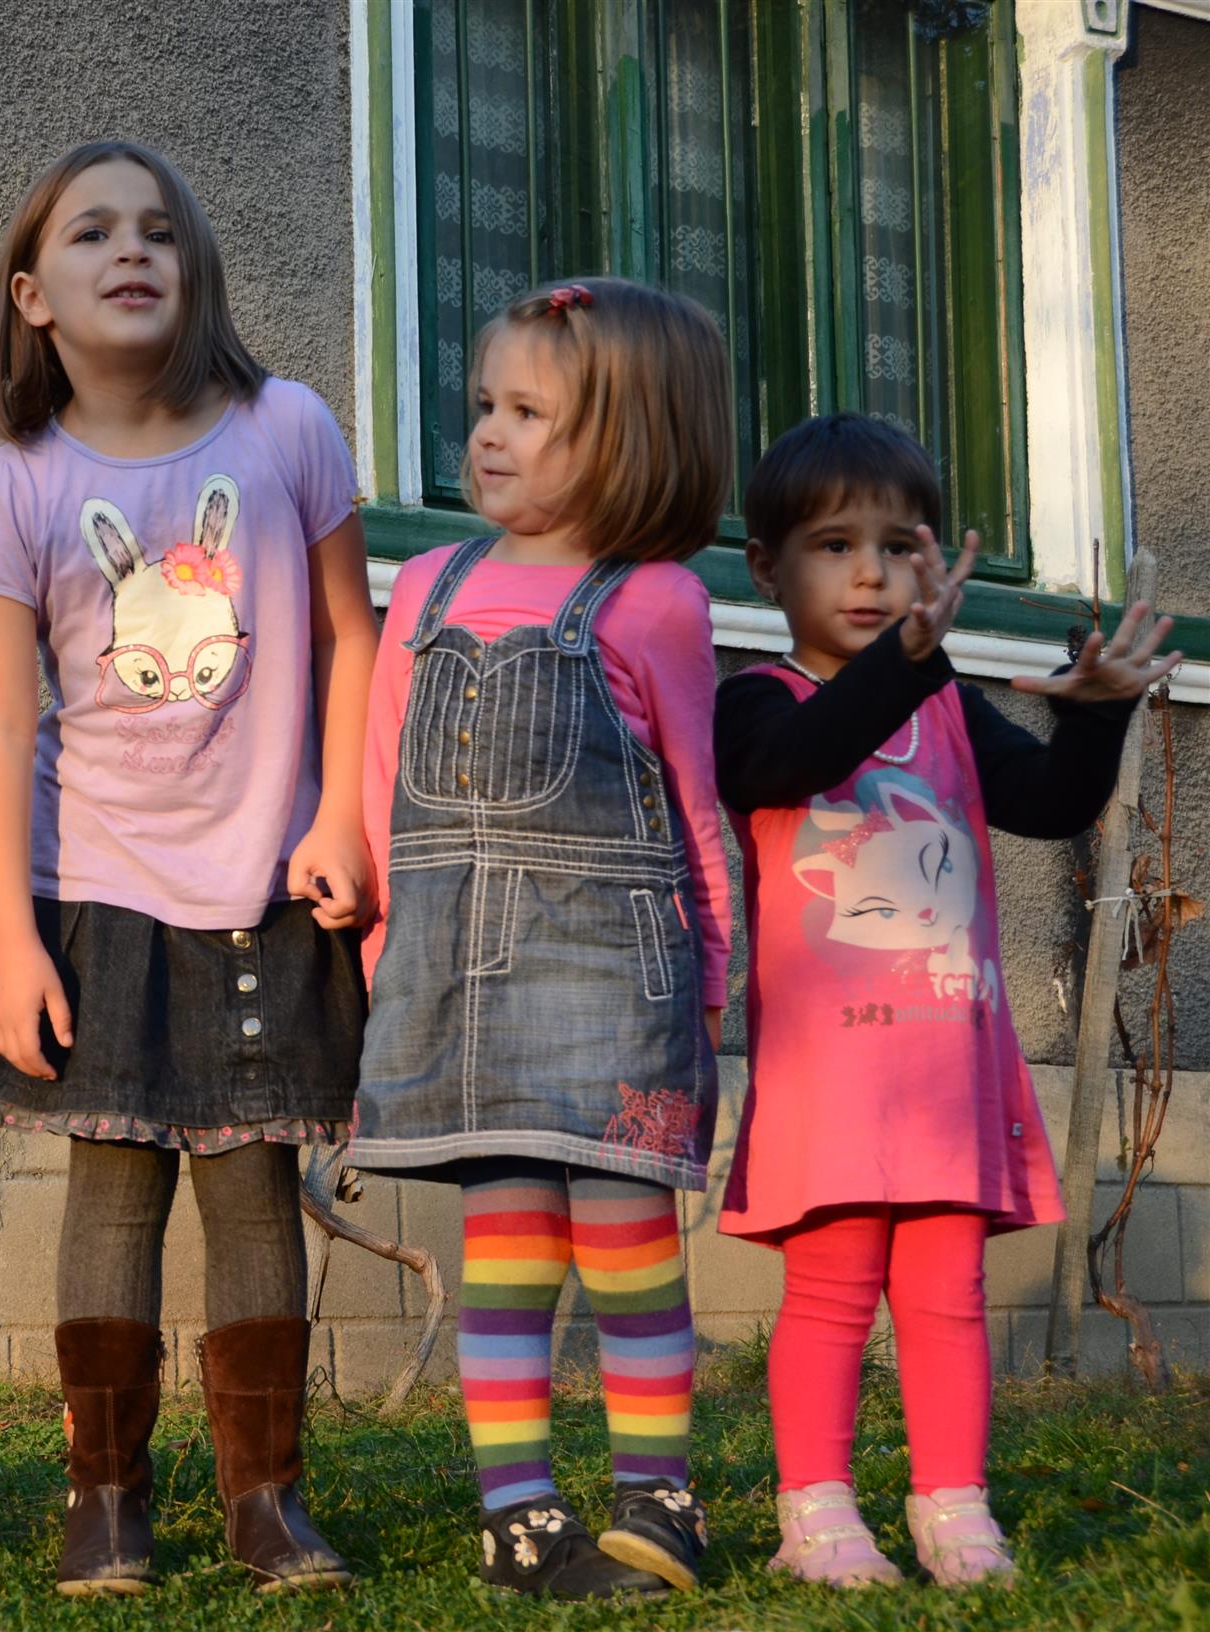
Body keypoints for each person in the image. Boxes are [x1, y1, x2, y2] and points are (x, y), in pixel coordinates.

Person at [0, 140, 376, 1596]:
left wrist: (341, 818)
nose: (129, 250)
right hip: (97, 885)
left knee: (256, 1186)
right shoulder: (18, 483)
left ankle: (268, 1501)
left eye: (157, 230)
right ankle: (107, 1501)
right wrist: (11, 939)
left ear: (194, 269)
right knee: (113, 1189)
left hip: (265, 879)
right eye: (90, 233)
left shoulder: (285, 429)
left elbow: (352, 635)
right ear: (34, 295)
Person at [714, 412, 1180, 1588]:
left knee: (947, 1295)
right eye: (834, 546)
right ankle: (815, 1514)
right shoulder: (755, 703)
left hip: (945, 1077)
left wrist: (1094, 714)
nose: (871, 575)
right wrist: (910, 661)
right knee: (830, 1293)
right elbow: (795, 762)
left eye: (897, 546)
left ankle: (952, 1507)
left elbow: (1048, 804)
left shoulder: (947, 707)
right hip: (829, 1083)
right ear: (765, 567)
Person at [348, 278, 735, 1599]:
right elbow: (385, 783)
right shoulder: (427, 585)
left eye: (529, 413)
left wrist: (713, 979)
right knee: (505, 1260)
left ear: (627, 441)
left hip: (613, 981)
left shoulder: (656, 602)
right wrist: (385, 947)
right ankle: (515, 1518)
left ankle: (657, 1501)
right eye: (484, 406)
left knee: (628, 1248)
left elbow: (692, 805)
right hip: (458, 981)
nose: (488, 435)